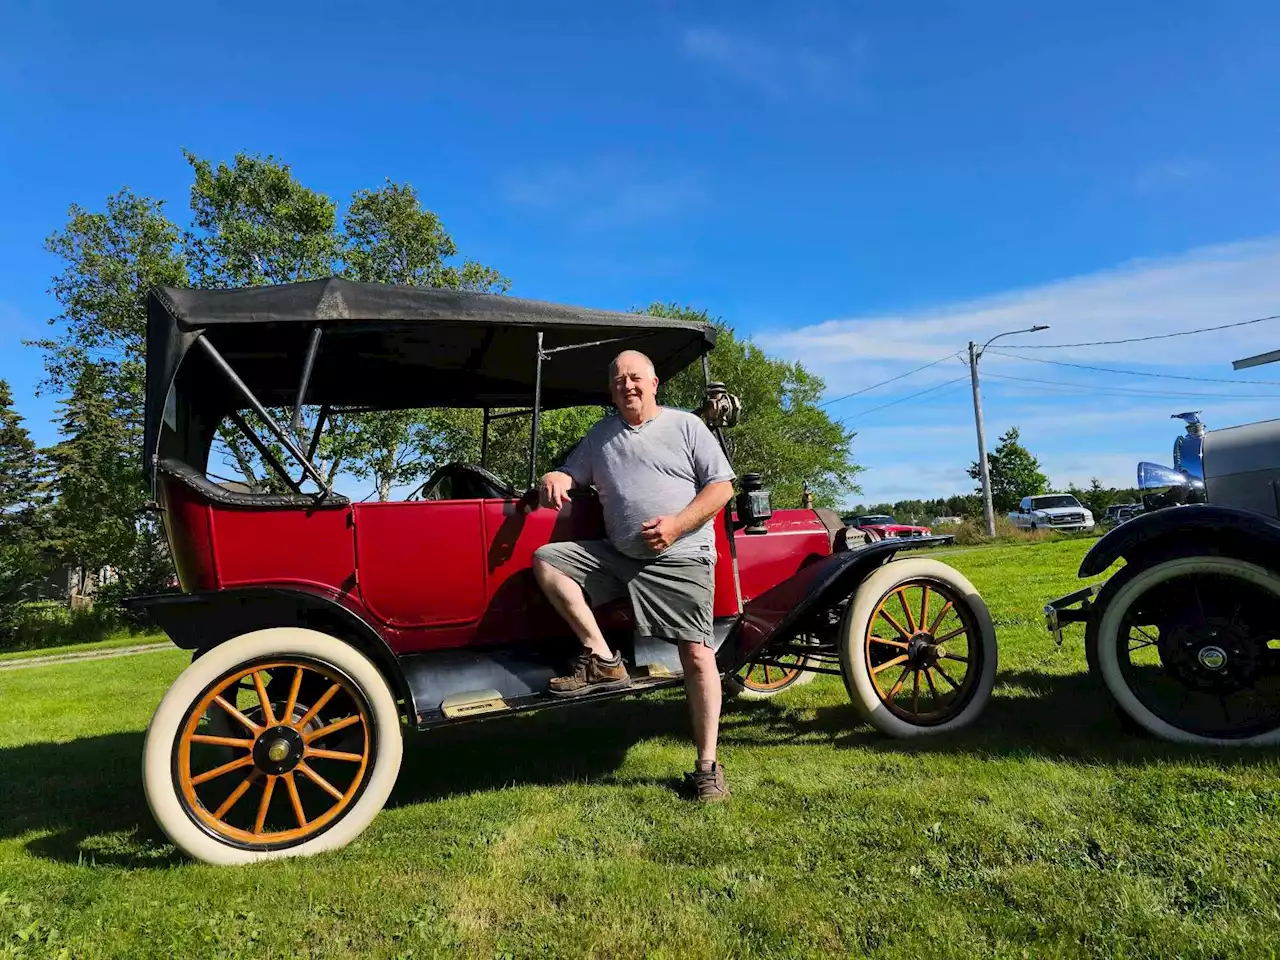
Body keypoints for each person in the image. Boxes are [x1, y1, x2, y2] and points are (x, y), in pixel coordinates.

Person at [531, 350, 737, 802]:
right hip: (619, 556)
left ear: (655, 382)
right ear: (612, 390)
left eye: (636, 377)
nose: (628, 385)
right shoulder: (600, 435)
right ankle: (604, 659)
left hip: (681, 555)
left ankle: (707, 768)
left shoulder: (687, 426)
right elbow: (570, 471)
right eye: (619, 380)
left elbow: (722, 486)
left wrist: (677, 525)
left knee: (698, 655)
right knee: (549, 560)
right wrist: (557, 474)